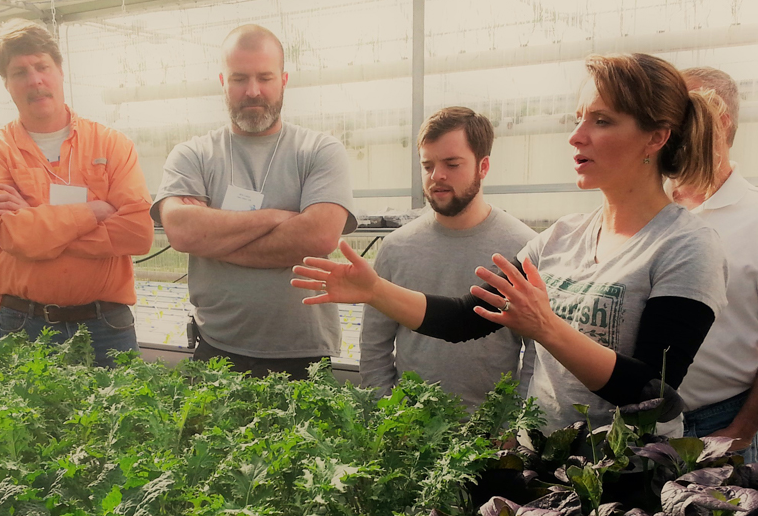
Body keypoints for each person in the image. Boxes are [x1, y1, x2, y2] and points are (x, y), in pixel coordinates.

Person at [293, 53, 728, 433]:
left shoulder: (685, 246)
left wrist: (546, 328)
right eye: (579, 118)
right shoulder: (560, 238)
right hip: (544, 465)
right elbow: (466, 319)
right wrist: (375, 291)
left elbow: (655, 393)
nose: (577, 135)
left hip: (623, 485)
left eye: (602, 120)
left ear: (656, 137)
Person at [152, 24, 356, 380]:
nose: (252, 91)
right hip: (217, 348)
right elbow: (182, 232)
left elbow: (319, 237)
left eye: (265, 77)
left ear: (284, 79)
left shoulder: (320, 151)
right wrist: (278, 217)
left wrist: (213, 240)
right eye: (239, 78)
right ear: (222, 82)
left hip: (303, 352)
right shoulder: (193, 154)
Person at [0, 19, 154, 367]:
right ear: (7, 84)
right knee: (28, 420)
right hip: (24, 323)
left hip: (106, 324)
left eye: (42, 66)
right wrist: (93, 212)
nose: (35, 80)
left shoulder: (111, 143)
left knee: (116, 420)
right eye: (19, 71)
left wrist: (39, 226)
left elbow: (138, 233)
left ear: (59, 70)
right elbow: (13, 234)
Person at [360, 107, 535, 405]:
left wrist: (515, 425)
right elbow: (374, 344)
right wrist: (385, 410)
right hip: (409, 431)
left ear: (483, 167)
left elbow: (536, 351)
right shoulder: (396, 248)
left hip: (492, 434)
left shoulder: (523, 247)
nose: (437, 176)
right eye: (427, 166)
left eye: (452, 164)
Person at [667, 67, 758, 463]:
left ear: (719, 121)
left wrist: (741, 431)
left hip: (721, 423)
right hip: (637, 425)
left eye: (681, 113)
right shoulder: (644, 207)